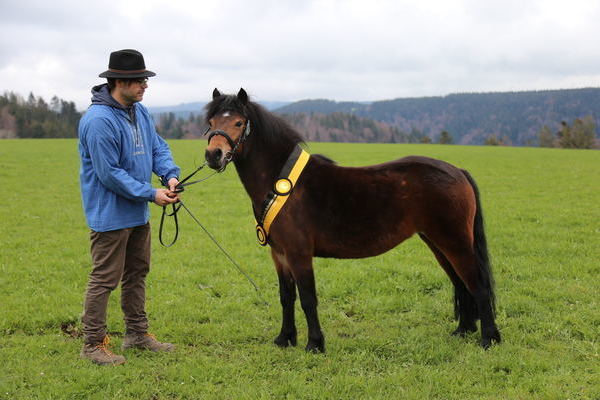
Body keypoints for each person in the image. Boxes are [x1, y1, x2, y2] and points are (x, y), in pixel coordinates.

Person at [78, 49, 180, 366]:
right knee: (104, 280)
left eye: (145, 80)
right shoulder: (98, 121)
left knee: (137, 274)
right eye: (139, 81)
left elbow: (156, 147)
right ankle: (93, 344)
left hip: (138, 213)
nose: (145, 86)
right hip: (110, 216)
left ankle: (137, 334)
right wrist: (151, 193)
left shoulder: (141, 112)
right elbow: (109, 174)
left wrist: (170, 175)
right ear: (119, 81)